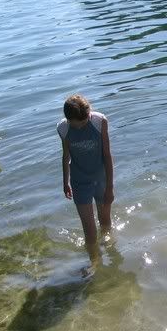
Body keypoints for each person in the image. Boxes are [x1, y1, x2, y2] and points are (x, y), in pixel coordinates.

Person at [57, 94, 114, 264]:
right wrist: (65, 182)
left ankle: (110, 251)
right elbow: (66, 156)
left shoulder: (99, 121)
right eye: (79, 123)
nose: (83, 125)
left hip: (101, 179)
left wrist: (110, 188)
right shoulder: (63, 128)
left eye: (85, 120)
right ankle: (94, 262)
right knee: (89, 230)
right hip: (80, 182)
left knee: (105, 220)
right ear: (69, 120)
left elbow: (107, 155)